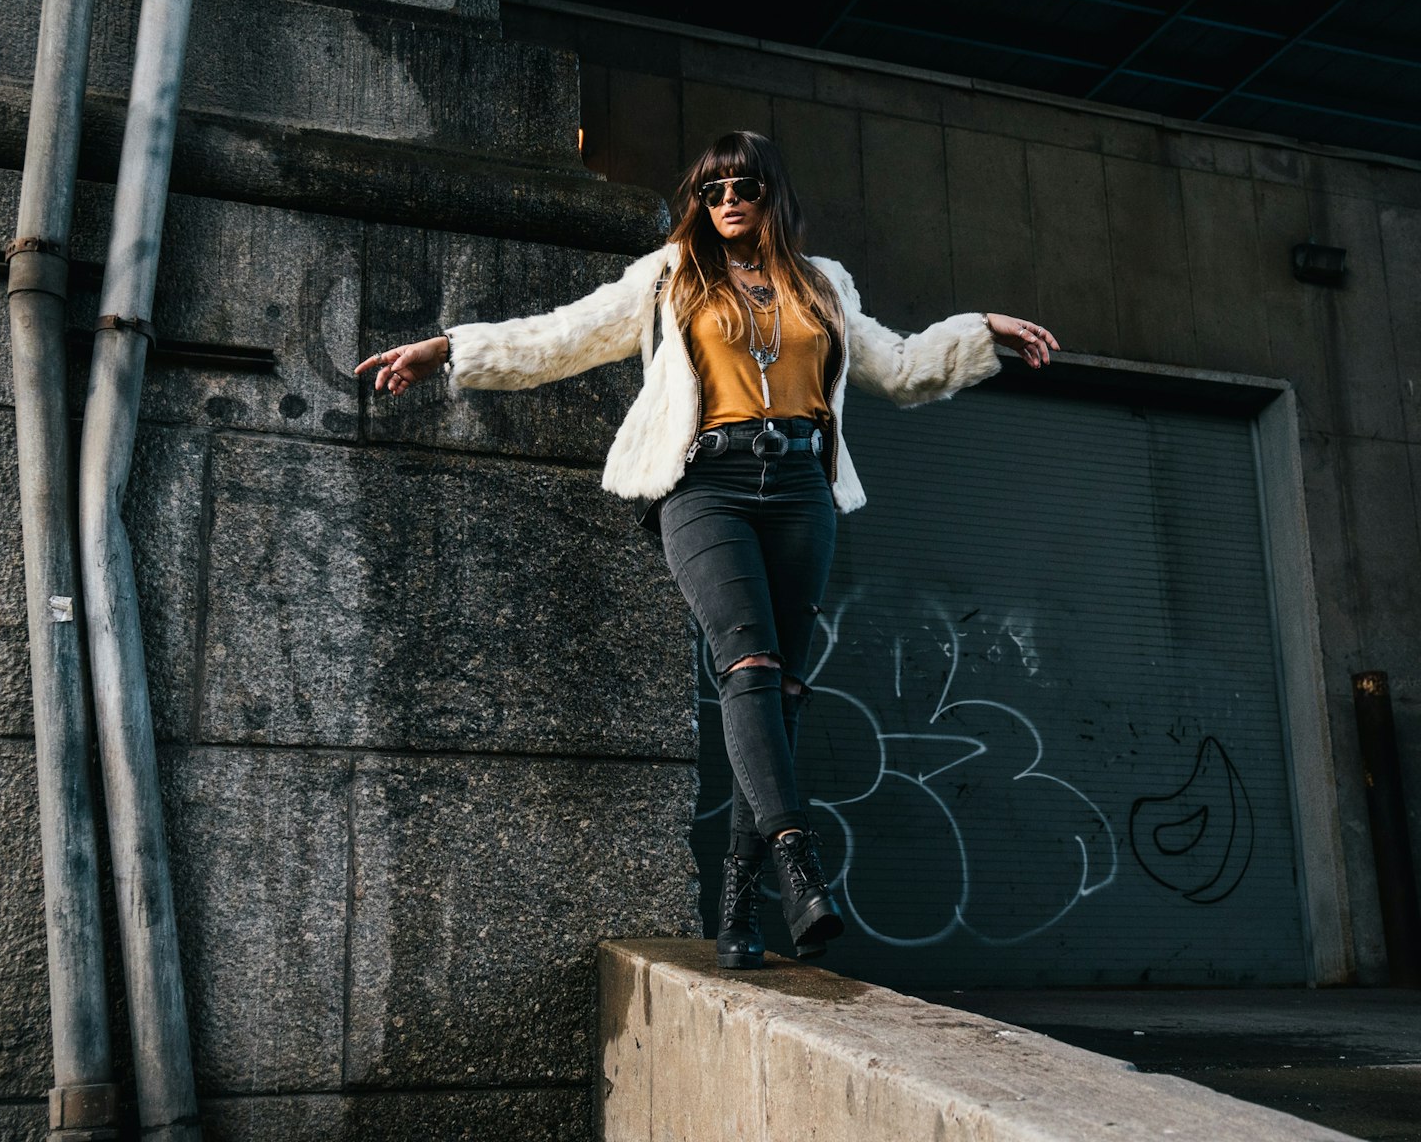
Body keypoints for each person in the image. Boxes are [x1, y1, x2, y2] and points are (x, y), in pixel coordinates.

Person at [355, 130, 1058, 970]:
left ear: (771, 197)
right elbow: (563, 335)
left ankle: (737, 899)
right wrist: (448, 350)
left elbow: (901, 367)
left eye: (745, 186)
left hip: (801, 489)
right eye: (712, 187)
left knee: (781, 695)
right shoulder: (666, 277)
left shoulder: (824, 284)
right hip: (704, 485)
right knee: (750, 669)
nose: (728, 199)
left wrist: (980, 330)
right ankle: (798, 861)